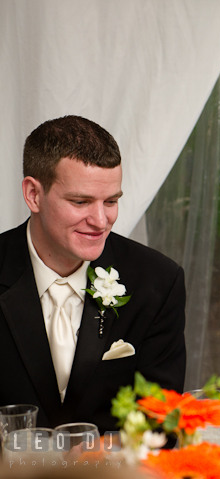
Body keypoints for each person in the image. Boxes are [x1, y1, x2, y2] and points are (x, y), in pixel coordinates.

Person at [0, 116, 186, 433]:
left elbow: (160, 425)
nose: (101, 221)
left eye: (111, 201)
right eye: (80, 201)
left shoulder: (157, 281)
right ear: (34, 194)